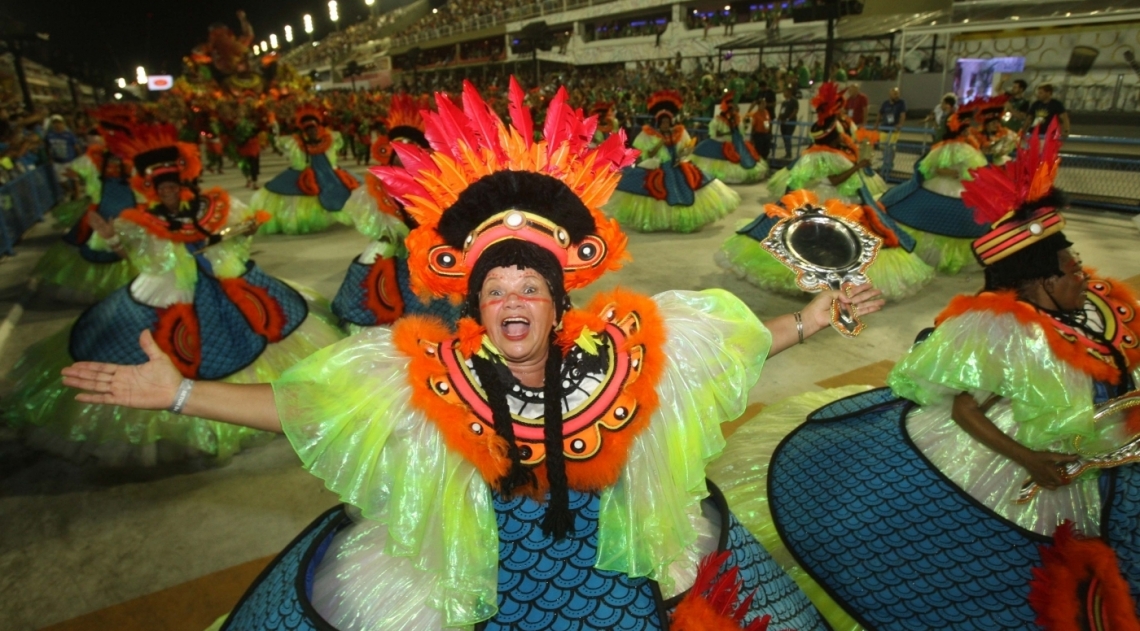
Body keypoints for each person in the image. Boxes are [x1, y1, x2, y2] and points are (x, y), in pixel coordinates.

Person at [60, 79, 887, 631]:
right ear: (473, 300)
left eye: (532, 284)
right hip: (478, 585)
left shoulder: (625, 350)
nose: (514, 300)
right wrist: (180, 394)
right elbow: (300, 408)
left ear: (562, 295)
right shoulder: (427, 372)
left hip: (620, 571)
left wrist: (814, 319)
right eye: (497, 289)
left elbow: (725, 351)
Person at [710, 121, 1140, 630]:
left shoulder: (1095, 306)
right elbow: (963, 407)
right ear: (1043, 279)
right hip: (1014, 467)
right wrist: (1029, 460)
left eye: (1078, 264)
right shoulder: (998, 328)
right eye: (1071, 268)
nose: (1082, 276)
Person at [5, 123, 345, 465]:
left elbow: (239, 237)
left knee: (259, 324)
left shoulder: (214, 206)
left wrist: (237, 235)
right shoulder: (140, 221)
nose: (167, 191)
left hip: (221, 277)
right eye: (159, 185)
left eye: (172, 184)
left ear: (183, 181)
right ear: (149, 187)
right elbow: (140, 258)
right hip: (168, 288)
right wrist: (111, 238)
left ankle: (243, 406)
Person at [723, 83, 933, 301]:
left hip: (819, 196)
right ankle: (824, 279)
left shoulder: (813, 155)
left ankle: (816, 279)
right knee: (836, 241)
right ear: (832, 137)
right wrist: (857, 166)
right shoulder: (829, 157)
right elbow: (834, 179)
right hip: (831, 198)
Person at [332, 93, 462, 333]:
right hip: (393, 253)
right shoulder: (376, 186)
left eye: (410, 151)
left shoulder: (442, 183)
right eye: (398, 150)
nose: (403, 157)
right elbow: (373, 225)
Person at [33, 107, 142, 303]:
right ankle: (124, 292)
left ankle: (121, 292)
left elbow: (70, 171)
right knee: (116, 252)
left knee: (118, 251)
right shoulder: (123, 157)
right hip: (118, 212)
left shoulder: (103, 157)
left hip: (117, 211)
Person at [605, 89, 740, 232]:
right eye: (662, 122)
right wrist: (660, 142)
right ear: (658, 122)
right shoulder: (648, 135)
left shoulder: (679, 133)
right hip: (658, 166)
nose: (665, 124)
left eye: (667, 121)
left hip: (677, 166)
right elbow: (648, 154)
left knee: (694, 182)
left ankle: (682, 219)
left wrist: (682, 157)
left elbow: (686, 149)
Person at [880, 103, 989, 274]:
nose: (969, 132)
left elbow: (930, 168)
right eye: (966, 129)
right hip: (949, 186)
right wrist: (955, 173)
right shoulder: (961, 149)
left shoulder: (950, 147)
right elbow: (969, 171)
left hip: (947, 186)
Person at [250, 105, 361, 235]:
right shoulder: (295, 143)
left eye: (314, 128)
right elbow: (278, 143)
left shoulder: (330, 139)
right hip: (304, 173)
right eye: (309, 130)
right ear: (304, 131)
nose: (312, 132)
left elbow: (340, 141)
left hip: (329, 172)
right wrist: (274, 126)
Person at [690, 92, 768, 184]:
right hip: (721, 141)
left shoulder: (736, 118)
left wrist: (744, 125)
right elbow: (714, 133)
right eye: (732, 109)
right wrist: (722, 134)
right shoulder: (718, 120)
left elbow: (741, 130)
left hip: (735, 141)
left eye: (734, 109)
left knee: (743, 155)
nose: (733, 111)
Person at [875, 86, 907, 174]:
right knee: (883, 147)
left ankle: (889, 164)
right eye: (894, 94)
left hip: (894, 130)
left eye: (897, 94)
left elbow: (903, 114)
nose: (896, 95)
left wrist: (900, 124)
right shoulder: (885, 103)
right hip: (884, 128)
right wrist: (877, 125)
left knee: (890, 147)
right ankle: (885, 162)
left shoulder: (901, 103)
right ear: (890, 94)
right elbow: (880, 114)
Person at [747, 94, 773, 160]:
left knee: (766, 150)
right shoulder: (755, 115)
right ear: (759, 105)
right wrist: (752, 136)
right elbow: (754, 126)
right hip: (759, 134)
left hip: (766, 134)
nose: (764, 105)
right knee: (759, 150)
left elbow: (768, 122)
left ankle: (764, 160)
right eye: (762, 104)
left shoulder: (766, 112)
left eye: (765, 104)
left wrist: (769, 132)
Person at [777, 86, 799, 159]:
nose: (784, 93)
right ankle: (787, 152)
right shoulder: (784, 102)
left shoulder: (794, 101)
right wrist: (779, 117)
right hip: (783, 123)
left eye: (785, 92)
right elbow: (782, 111)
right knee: (784, 137)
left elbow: (795, 111)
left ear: (789, 92)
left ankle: (789, 153)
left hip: (790, 122)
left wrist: (788, 119)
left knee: (787, 136)